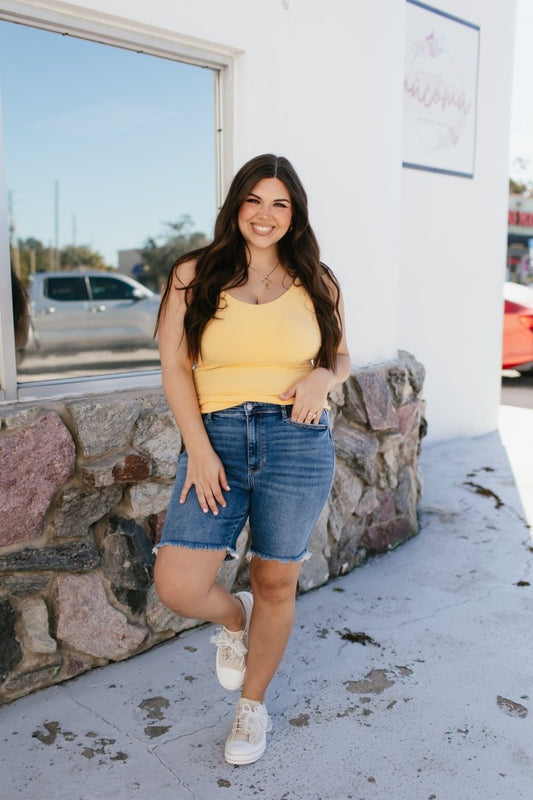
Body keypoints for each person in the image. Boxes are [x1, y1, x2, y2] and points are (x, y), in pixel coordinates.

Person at [153, 153, 351, 765]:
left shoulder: (316, 278)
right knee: (179, 584)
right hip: (216, 440)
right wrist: (200, 450)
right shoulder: (193, 273)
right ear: (237, 205)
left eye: (280, 204)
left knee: (275, 578)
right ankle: (235, 617)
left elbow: (341, 356)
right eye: (255, 200)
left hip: (296, 442)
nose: (265, 215)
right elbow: (174, 366)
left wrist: (323, 376)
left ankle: (252, 707)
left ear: (295, 214)